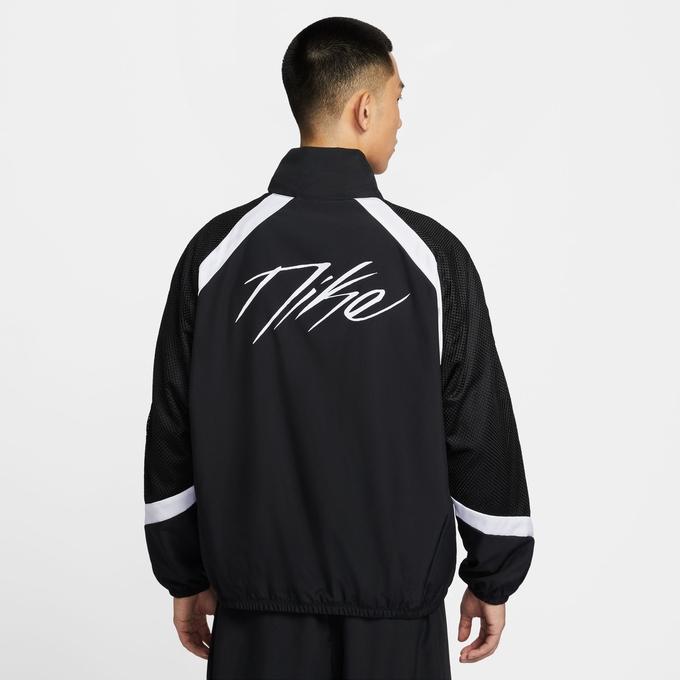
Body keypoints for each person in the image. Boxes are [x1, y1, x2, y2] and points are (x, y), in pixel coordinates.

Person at [142, 16, 535, 679]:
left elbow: (171, 428)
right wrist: (492, 575)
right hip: (397, 622)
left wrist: (183, 574)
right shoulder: (431, 258)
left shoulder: (215, 255)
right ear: (364, 108)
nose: (402, 120)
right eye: (399, 99)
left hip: (255, 617)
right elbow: (477, 428)